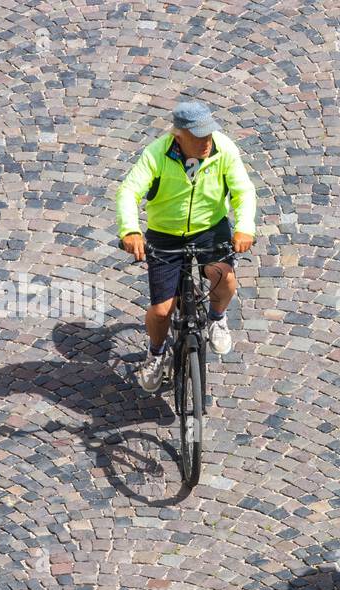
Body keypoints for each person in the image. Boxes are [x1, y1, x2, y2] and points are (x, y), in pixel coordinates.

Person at [115, 101, 257, 391]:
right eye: (199, 137)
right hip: (165, 233)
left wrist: (244, 227)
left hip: (210, 228)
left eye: (209, 135)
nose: (207, 142)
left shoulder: (223, 149)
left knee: (224, 278)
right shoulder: (156, 154)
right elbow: (128, 191)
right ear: (178, 136)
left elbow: (243, 191)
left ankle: (217, 318)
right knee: (162, 310)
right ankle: (155, 354)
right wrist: (130, 230)